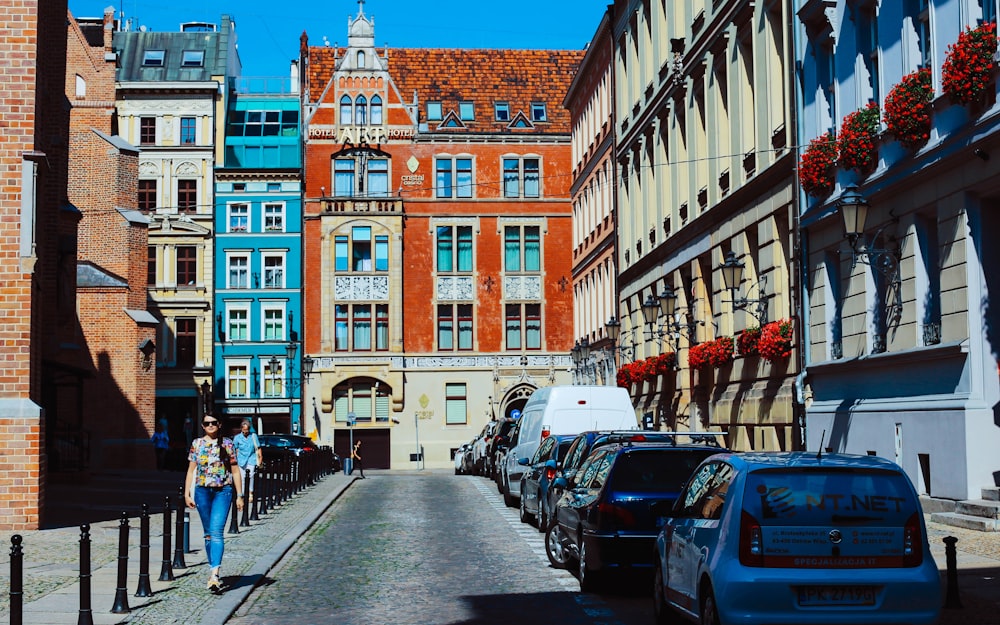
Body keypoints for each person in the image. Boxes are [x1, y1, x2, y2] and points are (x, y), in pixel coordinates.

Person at [184, 415, 244, 593]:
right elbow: (191, 470)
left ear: (219, 425)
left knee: (217, 531)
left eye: (213, 423)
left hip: (223, 491)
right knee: (208, 534)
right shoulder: (197, 444)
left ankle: (214, 575)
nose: (210, 426)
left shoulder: (227, 443)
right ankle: (213, 567)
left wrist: (240, 495)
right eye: (206, 423)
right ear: (203, 426)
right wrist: (187, 494)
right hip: (202, 491)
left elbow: (235, 470)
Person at [232, 419, 262, 501]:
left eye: (247, 429)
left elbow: (258, 448)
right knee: (242, 477)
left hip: (251, 458)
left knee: (251, 475)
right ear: (241, 429)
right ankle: (242, 493)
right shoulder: (237, 438)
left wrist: (260, 458)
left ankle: (250, 492)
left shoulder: (253, 436)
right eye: (244, 430)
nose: (246, 431)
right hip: (241, 459)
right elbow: (234, 449)